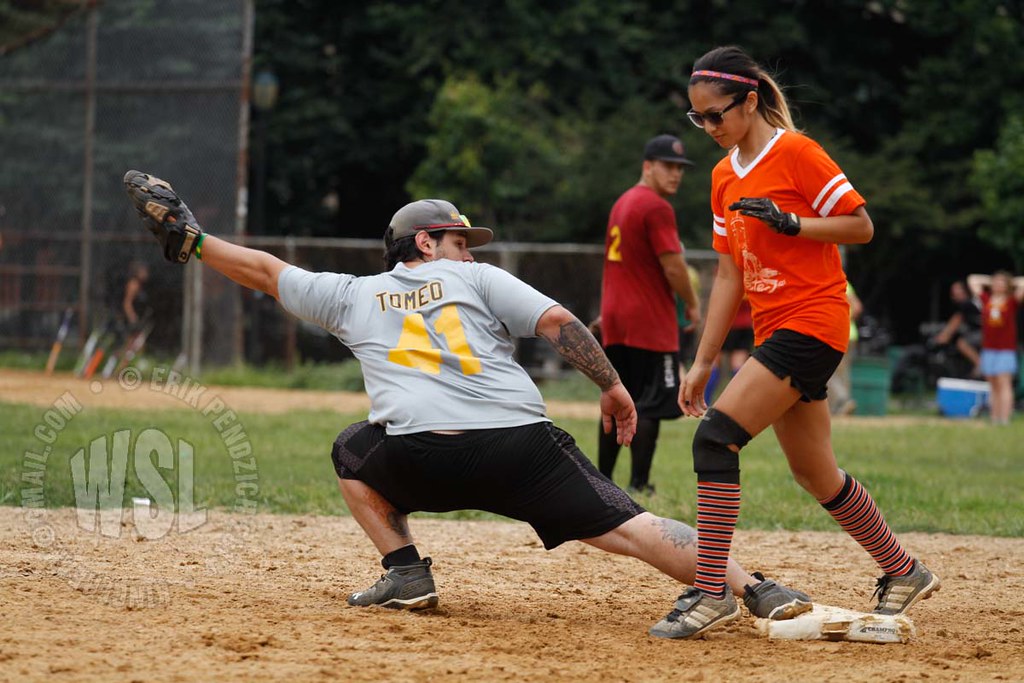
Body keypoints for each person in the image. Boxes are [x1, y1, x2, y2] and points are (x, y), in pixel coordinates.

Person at [124, 171, 811, 637]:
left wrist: (193, 240)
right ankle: (757, 591)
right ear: (425, 241)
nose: (465, 247)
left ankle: (405, 571)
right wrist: (611, 384)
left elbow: (265, 271)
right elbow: (559, 323)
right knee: (628, 526)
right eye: (456, 236)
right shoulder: (476, 277)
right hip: (520, 446)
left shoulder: (351, 293)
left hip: (421, 453)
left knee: (351, 450)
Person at [650, 46, 940, 640]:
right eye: (697, 118)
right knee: (815, 473)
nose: (708, 128)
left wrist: (793, 223)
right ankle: (902, 569)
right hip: (774, 328)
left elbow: (861, 225)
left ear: (750, 100)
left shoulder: (798, 153)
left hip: (814, 320)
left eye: (716, 114)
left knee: (716, 438)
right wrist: (702, 362)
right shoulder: (724, 175)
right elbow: (730, 273)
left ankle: (710, 592)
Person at [591, 134, 702, 494]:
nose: (675, 174)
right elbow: (673, 267)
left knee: (617, 395)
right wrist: (692, 302)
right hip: (649, 322)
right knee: (652, 403)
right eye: (668, 166)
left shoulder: (623, 202)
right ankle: (639, 483)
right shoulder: (656, 207)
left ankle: (602, 481)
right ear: (647, 166)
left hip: (617, 319)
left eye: (680, 169)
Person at [966, 271, 1024, 425]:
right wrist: (991, 280)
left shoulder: (1011, 301)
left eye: (1002, 283)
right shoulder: (986, 299)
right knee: (993, 384)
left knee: (1004, 383)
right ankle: (995, 417)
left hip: (1005, 349)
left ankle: (1005, 418)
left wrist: (1011, 281)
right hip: (989, 348)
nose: (998, 285)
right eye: (996, 283)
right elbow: (972, 279)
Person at [826, 282, 863, 416]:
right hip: (850, 335)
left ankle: (843, 401)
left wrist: (841, 320)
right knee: (842, 372)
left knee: (827, 371)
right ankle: (842, 408)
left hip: (838, 333)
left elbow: (857, 307)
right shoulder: (845, 282)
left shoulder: (834, 279)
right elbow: (857, 307)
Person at [933, 280, 982, 377]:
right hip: (981, 332)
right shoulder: (970, 302)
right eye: (954, 290)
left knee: (961, 343)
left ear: (965, 291)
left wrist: (943, 337)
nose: (956, 292)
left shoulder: (967, 303)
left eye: (958, 289)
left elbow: (956, 321)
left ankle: (980, 364)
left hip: (986, 333)